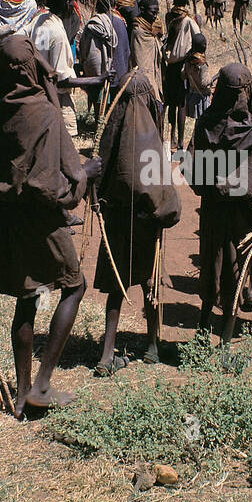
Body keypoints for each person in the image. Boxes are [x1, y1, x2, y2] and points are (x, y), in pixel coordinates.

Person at [0, 34, 98, 417]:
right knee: (74, 286)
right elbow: (64, 183)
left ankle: (20, 393)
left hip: (6, 218)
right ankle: (42, 384)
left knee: (27, 297)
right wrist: (88, 173)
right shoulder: (45, 114)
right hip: (42, 220)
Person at [91, 69, 181, 375]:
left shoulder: (113, 128)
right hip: (145, 222)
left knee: (118, 285)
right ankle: (152, 346)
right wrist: (166, 212)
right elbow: (161, 192)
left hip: (116, 220)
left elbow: (96, 176)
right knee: (149, 280)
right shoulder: (148, 136)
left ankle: (106, 353)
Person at [191, 63, 252, 345]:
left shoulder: (205, 122)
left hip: (211, 212)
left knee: (211, 264)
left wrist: (213, 187)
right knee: (236, 271)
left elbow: (194, 172)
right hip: (240, 216)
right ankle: (226, 340)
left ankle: (202, 328)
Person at [31, 0, 83, 137]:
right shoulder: (57, 34)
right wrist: (95, 80)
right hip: (56, 98)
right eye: (72, 1)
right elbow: (62, 79)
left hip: (39, 91)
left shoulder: (39, 20)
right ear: (67, 4)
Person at [162, 0, 201, 150]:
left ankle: (171, 137)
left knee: (171, 104)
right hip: (183, 67)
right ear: (185, 3)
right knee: (182, 104)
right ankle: (180, 142)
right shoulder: (187, 20)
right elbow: (199, 37)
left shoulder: (168, 16)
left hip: (169, 66)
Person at [78, 0, 120, 128]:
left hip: (96, 72)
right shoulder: (115, 22)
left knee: (98, 103)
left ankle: (99, 127)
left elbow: (85, 50)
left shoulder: (92, 24)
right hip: (110, 70)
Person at [128, 0, 164, 85]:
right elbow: (140, 63)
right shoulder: (138, 32)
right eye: (153, 12)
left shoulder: (154, 30)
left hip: (155, 72)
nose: (155, 16)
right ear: (142, 10)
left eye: (157, 13)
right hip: (144, 77)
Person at [183, 33, 213, 135]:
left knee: (198, 124)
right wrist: (215, 77)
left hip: (192, 94)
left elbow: (183, 75)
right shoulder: (201, 63)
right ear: (204, 46)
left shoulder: (189, 59)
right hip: (202, 97)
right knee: (203, 124)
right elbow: (204, 83)